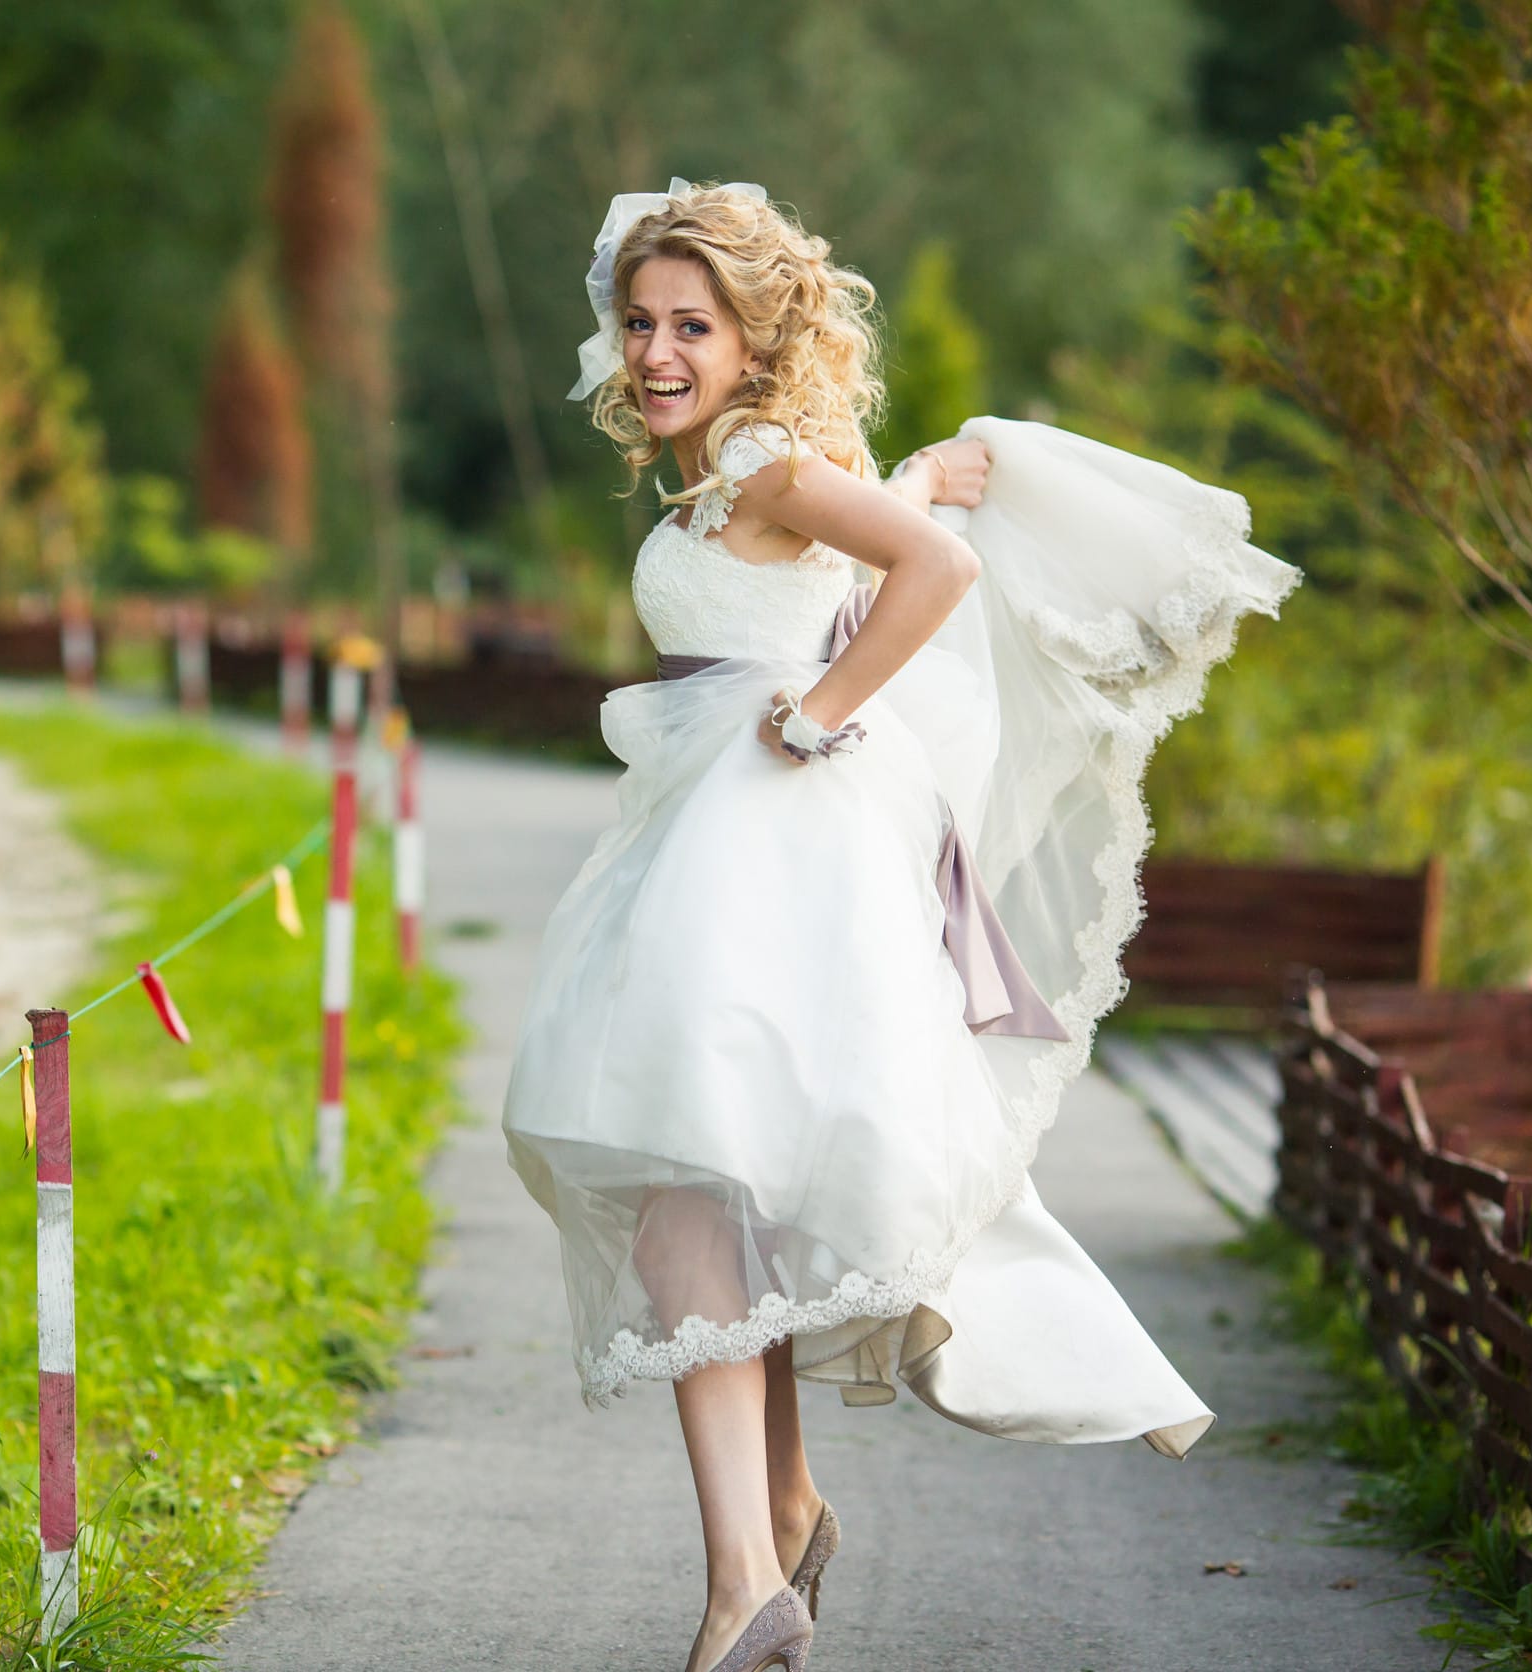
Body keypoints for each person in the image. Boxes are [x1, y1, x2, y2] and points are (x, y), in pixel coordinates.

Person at [499, 179, 1300, 1672]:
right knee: (714, 1181)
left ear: (752, 340)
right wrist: (907, 494)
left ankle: (750, 1582)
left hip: (760, 854)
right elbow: (866, 554)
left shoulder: (752, 454)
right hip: (711, 847)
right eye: (640, 322)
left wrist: (820, 712)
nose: (658, 350)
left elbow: (940, 575)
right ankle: (783, 1521)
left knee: (692, 1179)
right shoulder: (749, 466)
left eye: (694, 323)